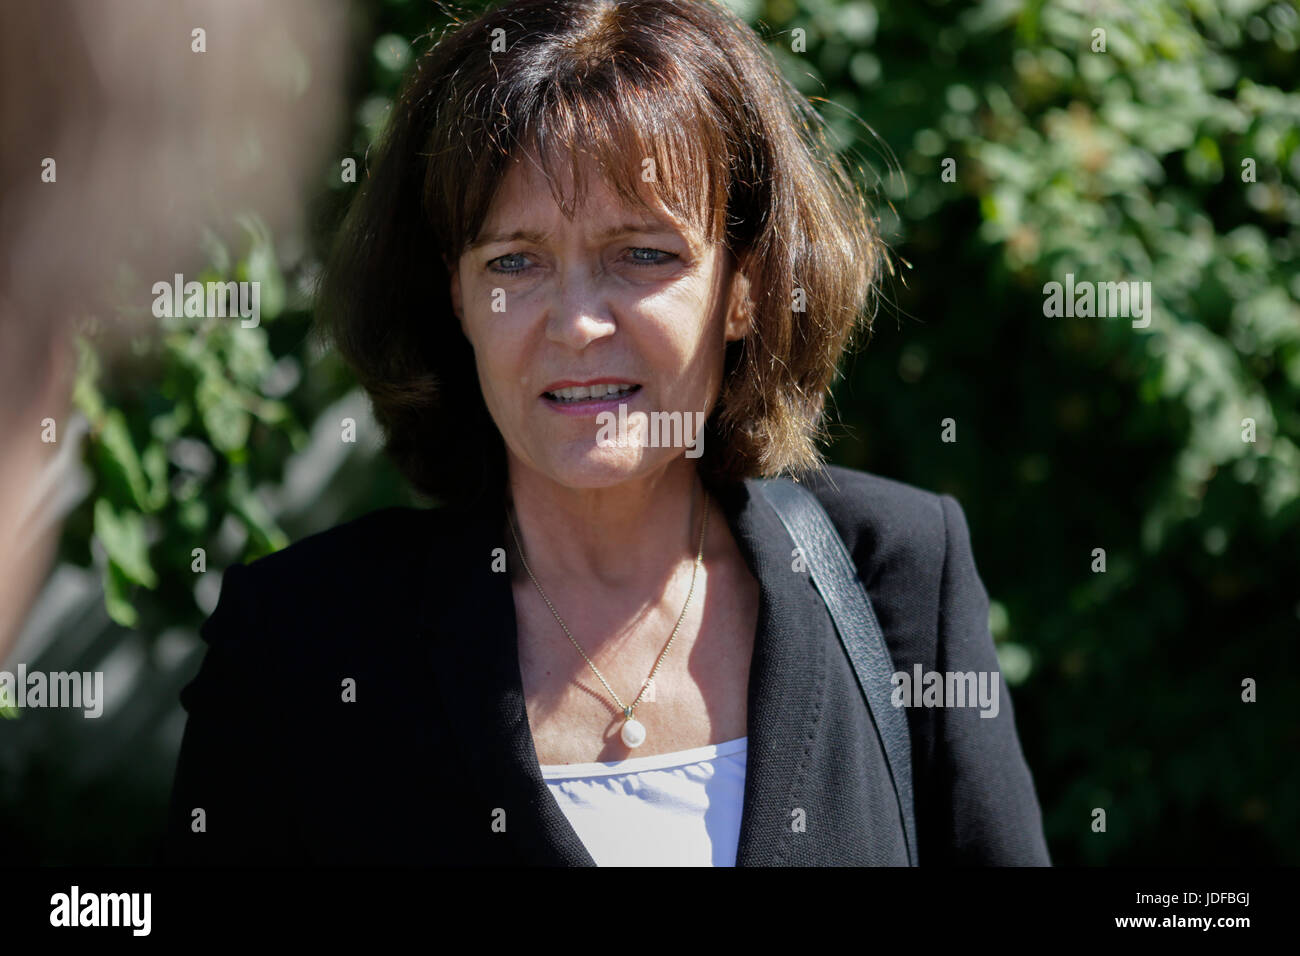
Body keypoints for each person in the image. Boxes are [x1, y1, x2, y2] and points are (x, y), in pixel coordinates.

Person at [163, 0, 1050, 866]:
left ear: (743, 287)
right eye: (515, 261)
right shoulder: (302, 646)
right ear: (458, 298)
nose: (577, 323)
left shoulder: (895, 575)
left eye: (644, 253)